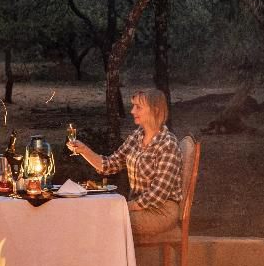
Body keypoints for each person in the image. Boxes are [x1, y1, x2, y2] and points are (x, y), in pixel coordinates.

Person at [67, 88, 184, 240]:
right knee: (96, 217)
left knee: (106, 222)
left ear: (155, 110)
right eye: (133, 106)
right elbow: (109, 165)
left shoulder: (168, 144)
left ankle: (116, 264)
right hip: (137, 208)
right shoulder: (137, 136)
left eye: (138, 107)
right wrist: (83, 150)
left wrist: (124, 207)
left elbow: (157, 194)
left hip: (161, 212)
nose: (132, 111)